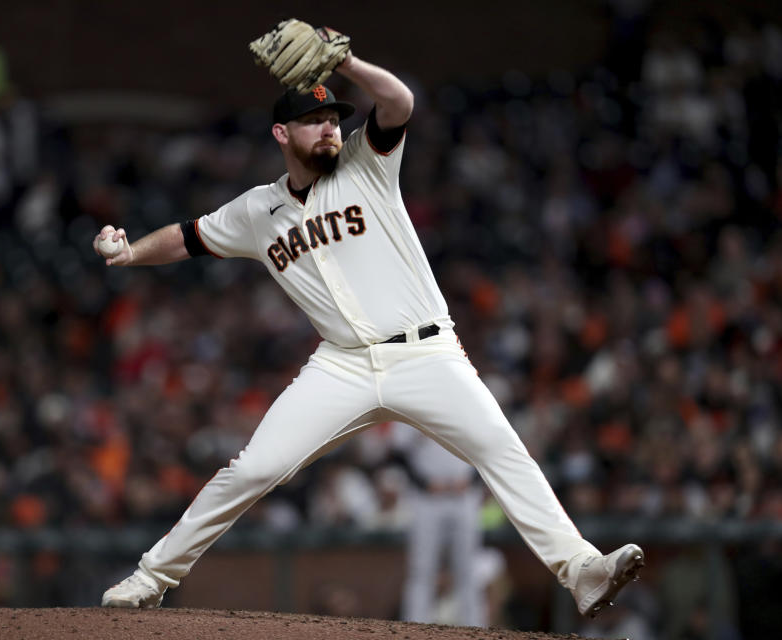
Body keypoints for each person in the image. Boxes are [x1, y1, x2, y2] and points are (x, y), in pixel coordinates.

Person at [95, 40, 644, 618]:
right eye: (314, 121)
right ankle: (151, 578)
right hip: (342, 365)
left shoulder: (368, 164)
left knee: (502, 450)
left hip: (427, 353)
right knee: (253, 469)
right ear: (282, 134)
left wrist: (347, 65)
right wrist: (131, 253)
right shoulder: (257, 211)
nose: (330, 129)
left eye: (334, 118)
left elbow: (400, 100)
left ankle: (580, 568)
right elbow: (187, 237)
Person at [389, 421, 488, 627]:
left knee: (467, 568)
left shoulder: (468, 403)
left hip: (464, 496)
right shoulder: (412, 405)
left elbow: (487, 447)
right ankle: (415, 628)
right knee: (422, 569)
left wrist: (472, 478)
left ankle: (476, 628)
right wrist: (423, 482)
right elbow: (397, 453)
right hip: (427, 498)